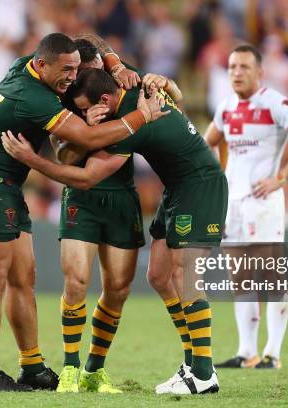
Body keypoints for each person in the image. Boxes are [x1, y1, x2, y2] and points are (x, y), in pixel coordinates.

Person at [0, 32, 165, 391]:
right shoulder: (34, 96)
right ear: (42, 65)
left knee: (25, 277)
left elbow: (87, 40)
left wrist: (112, 60)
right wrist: (142, 116)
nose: (72, 76)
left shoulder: (27, 68)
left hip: (7, 186)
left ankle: (32, 365)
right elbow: (86, 139)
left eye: (75, 67)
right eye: (66, 69)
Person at [1, 68, 228, 395]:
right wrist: (166, 82)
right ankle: (193, 362)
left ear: (105, 100)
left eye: (84, 107)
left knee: (185, 274)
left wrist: (31, 160)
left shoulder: (131, 122)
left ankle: (204, 372)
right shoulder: (134, 89)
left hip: (200, 186)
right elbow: (175, 94)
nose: (81, 114)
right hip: (177, 188)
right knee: (160, 276)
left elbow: (86, 177)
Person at [52, 37, 181, 394]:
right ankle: (69, 367)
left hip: (122, 196)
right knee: (76, 281)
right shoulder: (65, 100)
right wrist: (86, 135)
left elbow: (175, 100)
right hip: (82, 195)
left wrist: (126, 66)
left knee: (118, 289)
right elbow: (62, 155)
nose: (85, 78)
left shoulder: (122, 80)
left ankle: (94, 369)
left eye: (91, 69)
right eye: (79, 71)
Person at [204, 44, 288, 369]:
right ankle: (246, 352)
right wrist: (217, 179)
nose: (237, 73)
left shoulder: (275, 102)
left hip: (263, 202)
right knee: (239, 277)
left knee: (272, 279)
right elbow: (206, 144)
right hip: (233, 203)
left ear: (260, 72)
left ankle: (273, 353)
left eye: (243, 67)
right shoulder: (226, 107)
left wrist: (280, 177)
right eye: (231, 67)